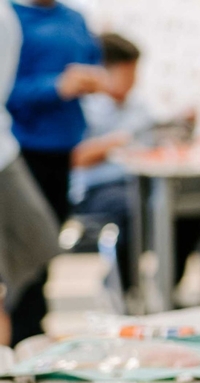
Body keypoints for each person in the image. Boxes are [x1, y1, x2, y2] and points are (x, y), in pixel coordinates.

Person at [69, 32, 200, 300]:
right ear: (104, 72)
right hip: (98, 189)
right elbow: (75, 158)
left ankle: (166, 287)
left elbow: (151, 138)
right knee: (134, 207)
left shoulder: (138, 105)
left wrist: (179, 124)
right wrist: (114, 142)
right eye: (127, 74)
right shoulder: (85, 106)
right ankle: (126, 288)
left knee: (190, 208)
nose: (134, 81)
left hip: (142, 181)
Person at [6, 0, 104, 344]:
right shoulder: (12, 18)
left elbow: (94, 64)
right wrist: (55, 87)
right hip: (19, 151)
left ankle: (32, 328)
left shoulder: (74, 19)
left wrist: (92, 80)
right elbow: (7, 92)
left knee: (47, 244)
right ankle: (22, 332)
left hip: (63, 149)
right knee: (28, 245)